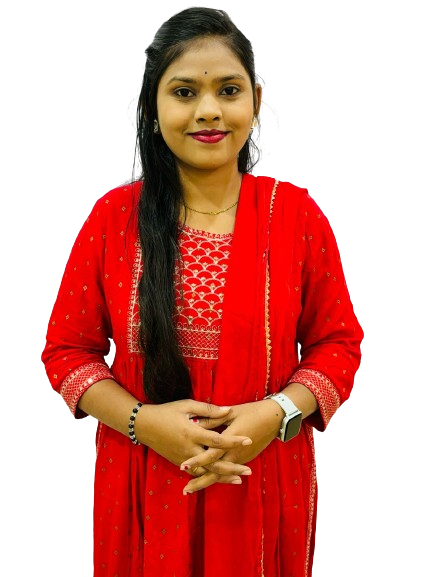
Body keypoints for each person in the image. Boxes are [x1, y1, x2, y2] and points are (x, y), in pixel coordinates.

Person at [41, 6, 363, 576]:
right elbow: (67, 354)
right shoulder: (114, 218)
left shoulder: (295, 216)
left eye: (228, 90)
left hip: (260, 480)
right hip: (143, 482)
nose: (209, 110)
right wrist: (143, 422)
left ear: (257, 102)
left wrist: (276, 413)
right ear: (151, 109)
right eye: (184, 92)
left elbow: (338, 346)